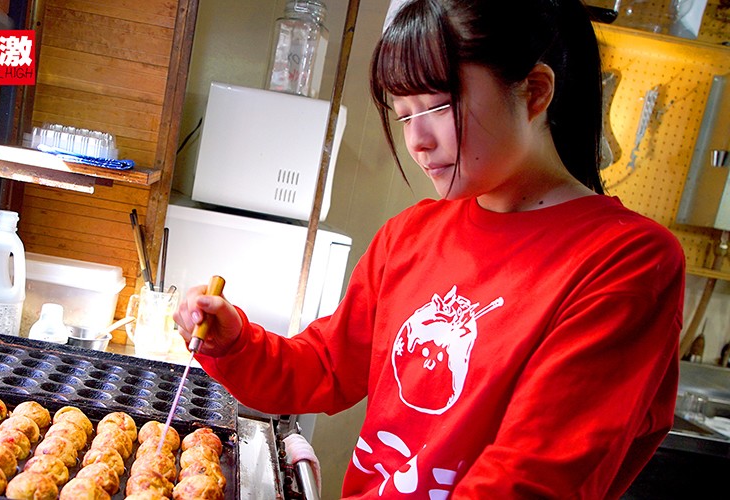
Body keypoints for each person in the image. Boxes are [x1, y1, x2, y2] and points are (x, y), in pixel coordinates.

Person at [174, 0, 686, 497]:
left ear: (533, 93)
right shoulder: (412, 234)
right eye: (403, 115)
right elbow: (325, 366)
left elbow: (532, 477)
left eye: (438, 106)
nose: (417, 140)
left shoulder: (625, 260)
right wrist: (236, 343)